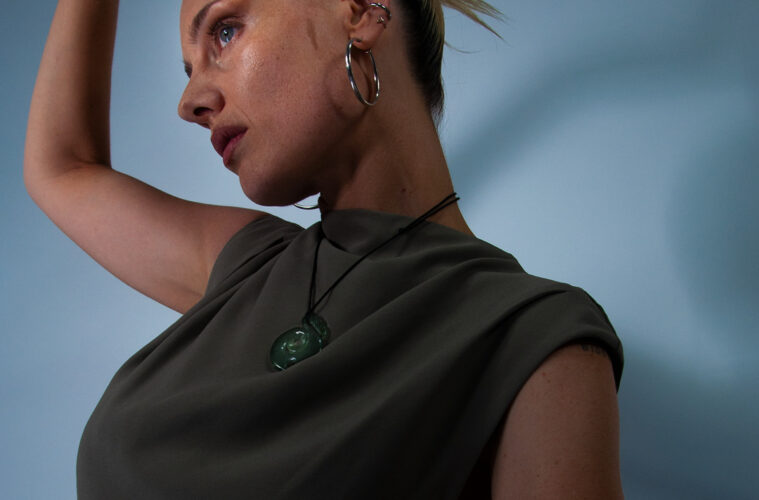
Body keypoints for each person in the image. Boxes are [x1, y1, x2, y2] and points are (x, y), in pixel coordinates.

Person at [24, 0, 624, 498]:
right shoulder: (249, 263)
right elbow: (62, 168)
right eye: (189, 67)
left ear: (360, 13)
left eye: (225, 32)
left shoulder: (536, 343)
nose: (190, 103)